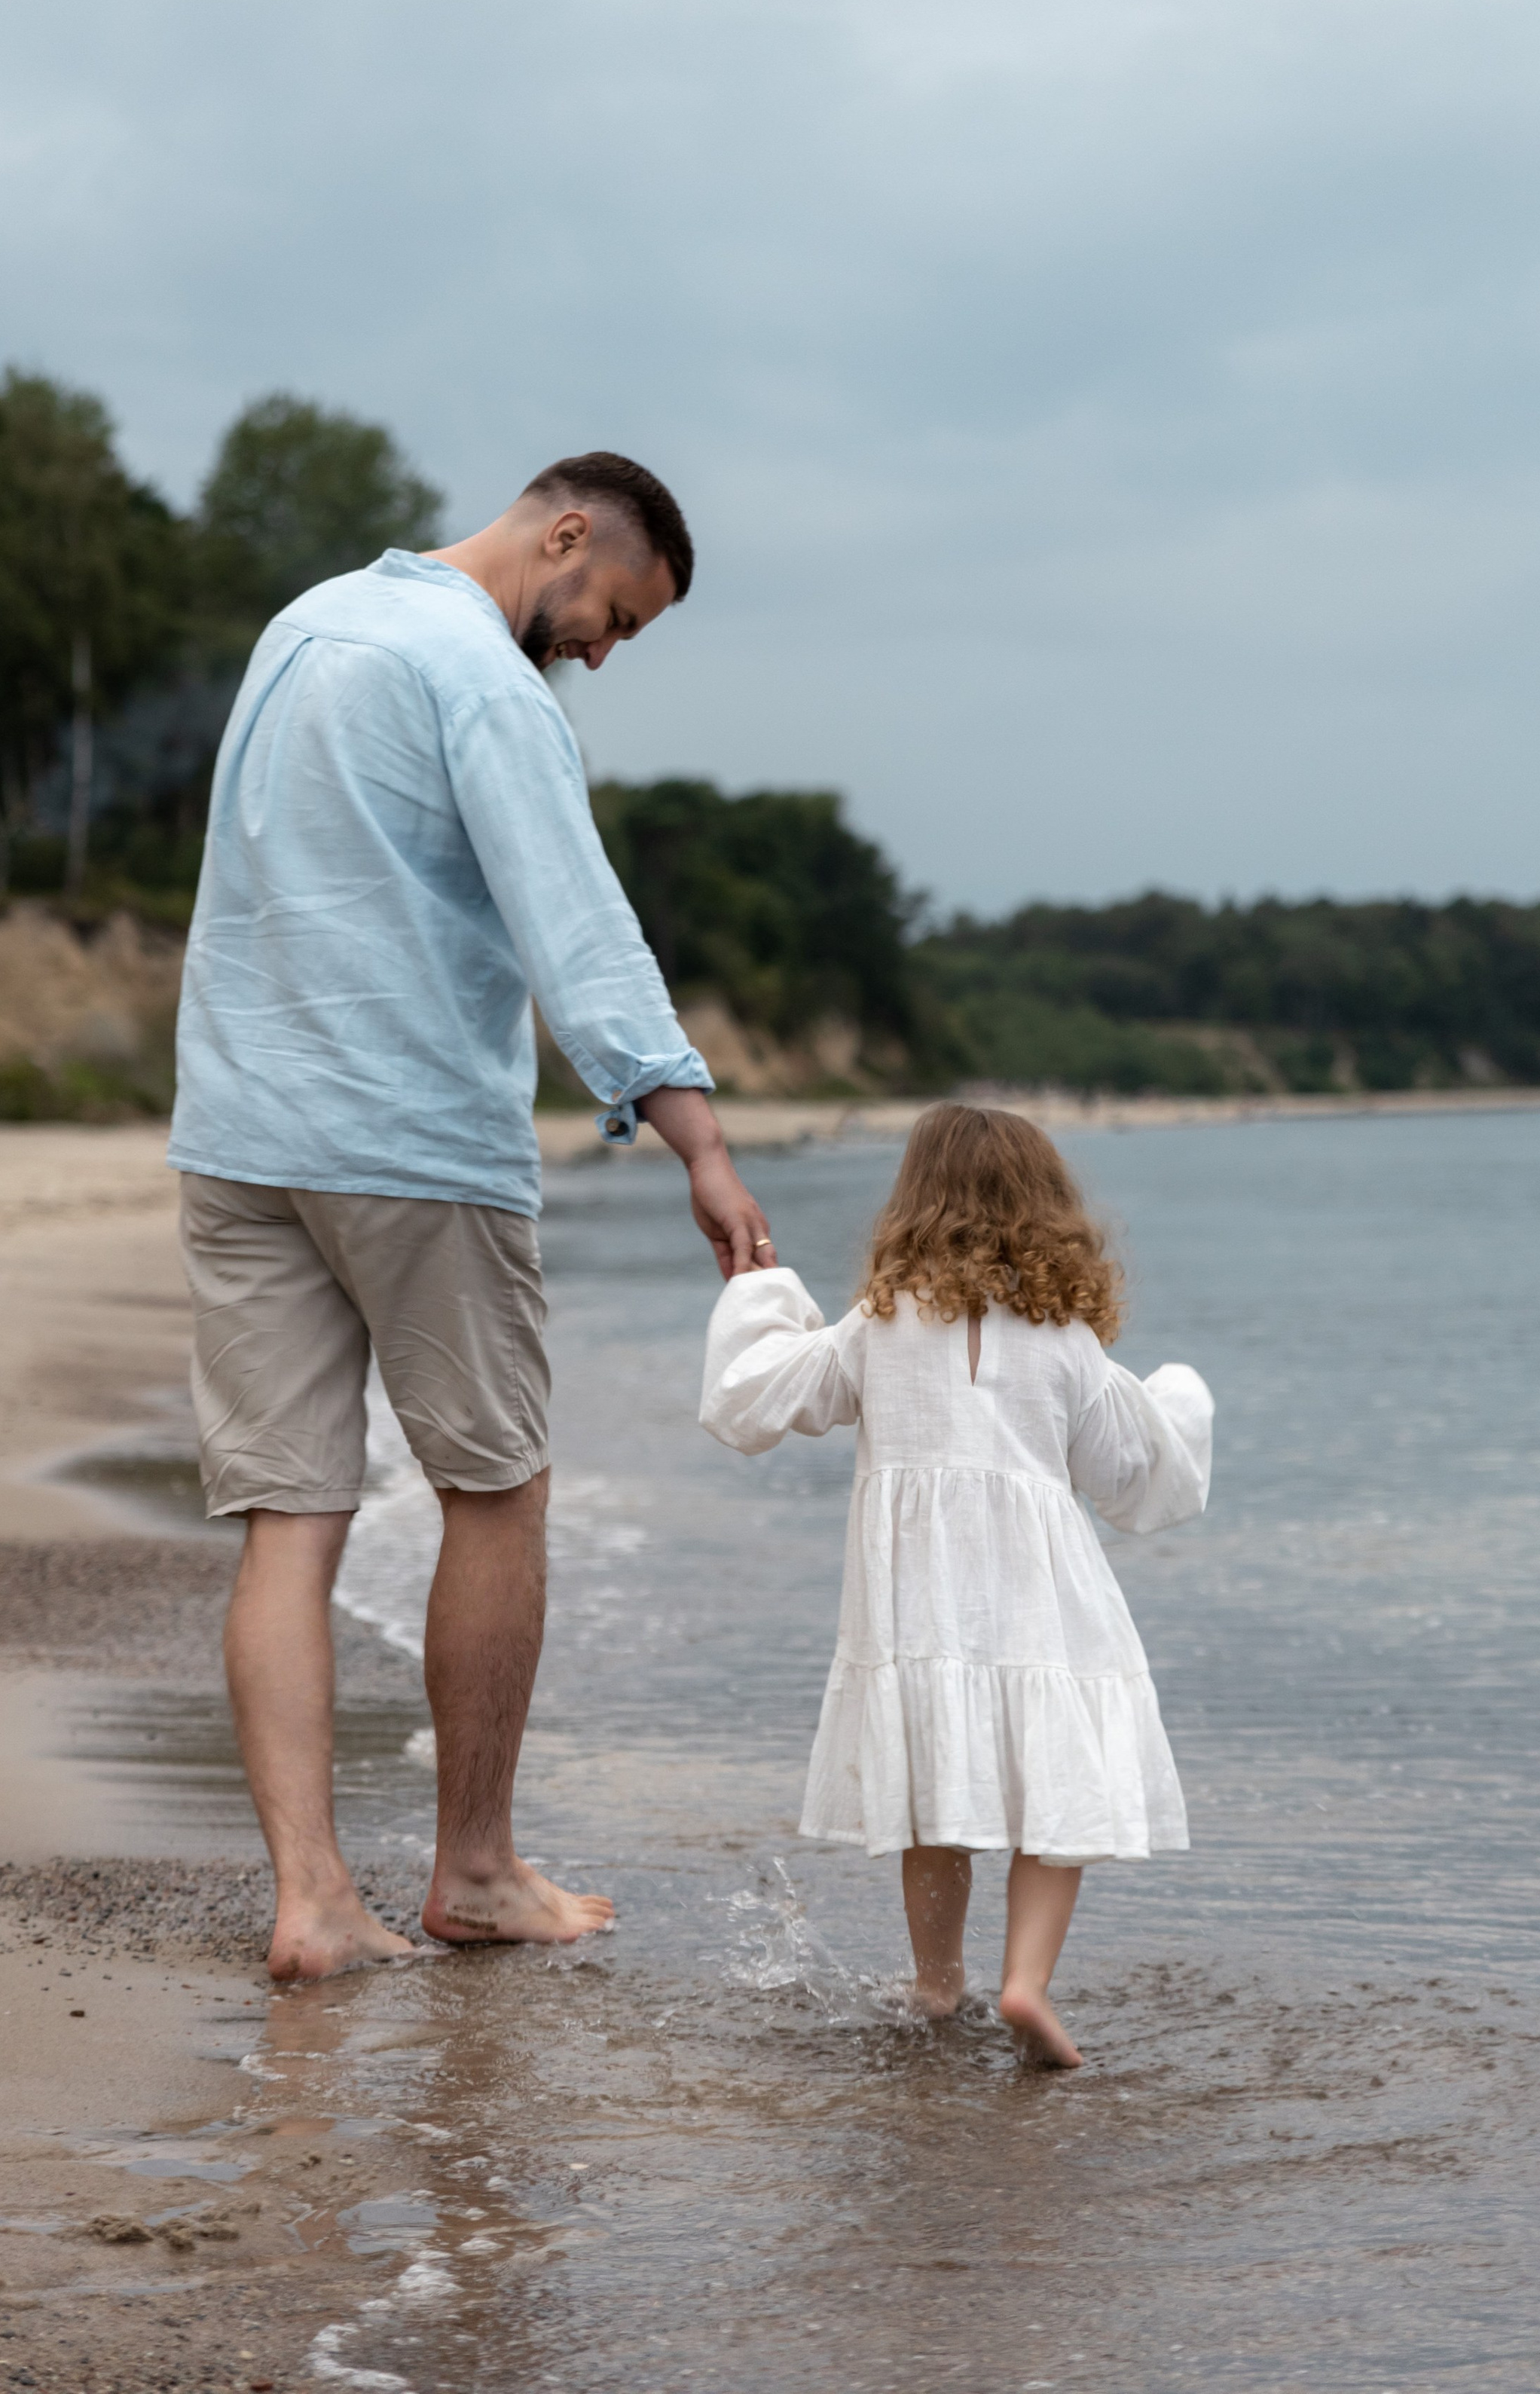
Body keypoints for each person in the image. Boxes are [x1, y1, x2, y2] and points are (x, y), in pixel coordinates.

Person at [169, 450, 775, 1983]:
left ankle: (310, 1903)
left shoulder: (302, 627)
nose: (599, 649)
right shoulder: (484, 683)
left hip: (240, 1136)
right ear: (563, 533)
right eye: (613, 613)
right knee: (494, 1490)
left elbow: (243, 876)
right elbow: (579, 929)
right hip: (411, 1143)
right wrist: (696, 1141)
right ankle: (474, 1872)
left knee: (288, 1523)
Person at [698, 1102, 1211, 2066]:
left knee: (936, 1783)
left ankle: (937, 1985)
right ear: (1047, 1209)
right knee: (1059, 1782)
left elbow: (758, 1397)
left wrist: (762, 1292)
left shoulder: (877, 1326)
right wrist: (1179, 1404)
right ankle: (1026, 1985)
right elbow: (1129, 1473)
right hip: (1045, 1601)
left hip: (920, 1607)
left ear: (913, 1204)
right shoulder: (1066, 1343)